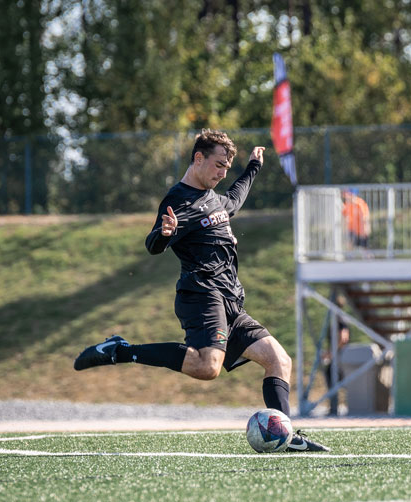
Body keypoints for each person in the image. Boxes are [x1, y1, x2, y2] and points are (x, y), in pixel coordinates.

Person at [74, 129, 329, 452]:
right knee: (208, 368)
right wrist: (165, 233)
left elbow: (235, 197)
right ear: (198, 158)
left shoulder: (214, 199)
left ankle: (286, 437)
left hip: (230, 300)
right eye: (218, 165)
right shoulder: (178, 199)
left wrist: (253, 166)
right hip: (202, 294)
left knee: (279, 360)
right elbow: (153, 244)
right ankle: (120, 350)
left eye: (226, 168)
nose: (222, 173)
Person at [321, 294, 351, 416]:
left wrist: (332, 353)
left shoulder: (340, 319)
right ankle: (334, 407)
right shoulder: (339, 318)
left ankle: (334, 408)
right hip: (340, 356)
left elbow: (343, 338)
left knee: (333, 378)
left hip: (340, 357)